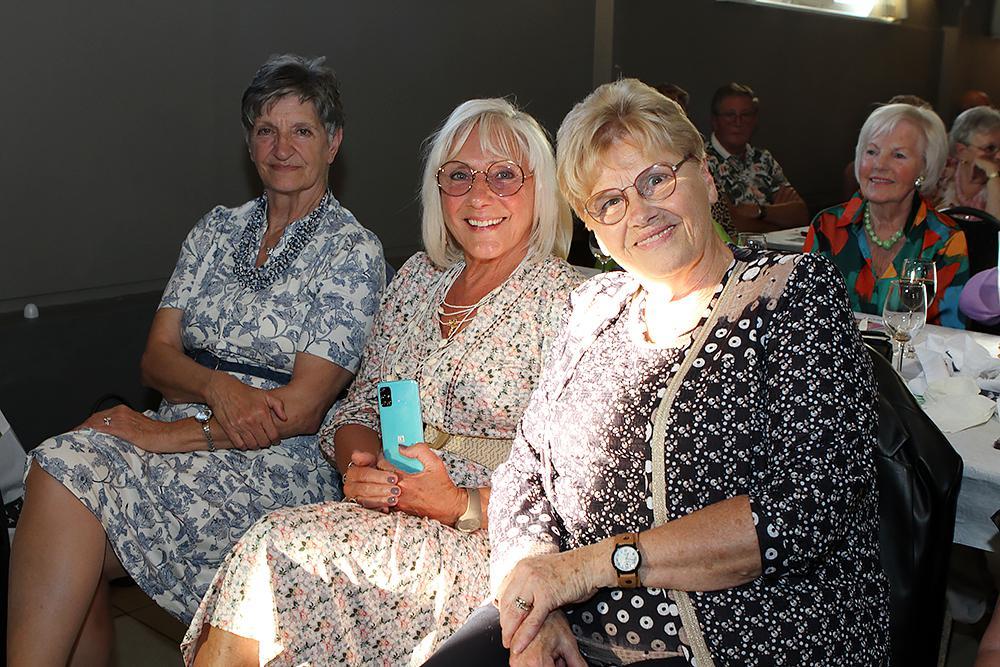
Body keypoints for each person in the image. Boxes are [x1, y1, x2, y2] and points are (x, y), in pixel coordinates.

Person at [426, 78, 889, 666]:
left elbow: (807, 506)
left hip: (744, 634)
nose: (641, 213)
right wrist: (534, 606)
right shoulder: (593, 309)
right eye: (610, 201)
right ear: (593, 230)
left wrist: (592, 567)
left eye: (656, 180)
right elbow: (525, 473)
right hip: (573, 623)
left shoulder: (791, 294)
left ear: (706, 177)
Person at [7, 54, 386, 666]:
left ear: (333, 142)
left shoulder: (352, 252)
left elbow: (299, 409)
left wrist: (164, 435)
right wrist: (216, 388)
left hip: (274, 465)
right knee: (58, 468)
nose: (282, 147)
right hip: (185, 422)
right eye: (266, 130)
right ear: (249, 142)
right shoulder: (215, 230)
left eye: (302, 130)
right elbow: (156, 360)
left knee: (70, 518)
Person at [184, 98, 582, 666]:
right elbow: (357, 412)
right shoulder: (419, 279)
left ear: (540, 188)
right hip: (387, 512)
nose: (479, 196)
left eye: (503, 175)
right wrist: (361, 469)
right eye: (459, 176)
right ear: (438, 190)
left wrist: (459, 503)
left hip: (489, 540)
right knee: (274, 555)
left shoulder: (570, 301)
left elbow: (581, 487)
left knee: (278, 551)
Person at [805, 103, 969, 328]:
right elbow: (803, 315)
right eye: (871, 152)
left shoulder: (944, 239)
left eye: (898, 155)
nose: (880, 164)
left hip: (914, 351)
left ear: (925, 168)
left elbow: (950, 334)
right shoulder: (827, 226)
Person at [705, 82, 809, 232]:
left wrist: (759, 211)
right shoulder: (703, 162)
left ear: (755, 120)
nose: (738, 122)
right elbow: (731, 226)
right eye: (730, 115)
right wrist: (778, 220)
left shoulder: (763, 158)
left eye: (745, 115)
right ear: (715, 121)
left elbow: (800, 215)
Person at [930, 105, 1000, 220]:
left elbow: (996, 227)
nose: (998, 156)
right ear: (961, 151)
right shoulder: (940, 176)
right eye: (990, 148)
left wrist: (994, 176)